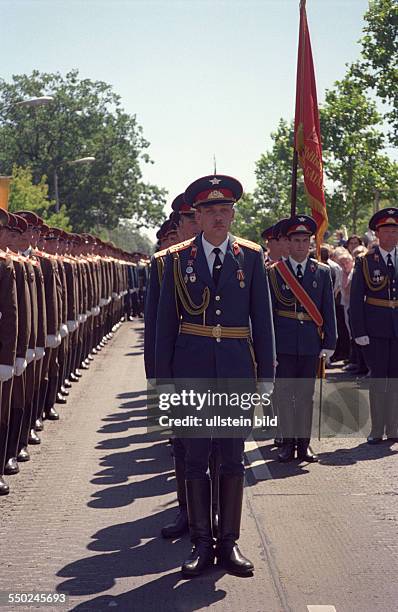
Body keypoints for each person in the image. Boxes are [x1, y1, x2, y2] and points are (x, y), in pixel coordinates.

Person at [155, 174, 275, 577]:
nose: (219, 217)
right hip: (190, 370)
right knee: (193, 459)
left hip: (238, 371)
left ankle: (229, 543)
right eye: (210, 211)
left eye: (225, 210)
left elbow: (264, 320)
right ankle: (201, 543)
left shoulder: (252, 257)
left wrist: (268, 376)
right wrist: (161, 382)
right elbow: (164, 327)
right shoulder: (174, 261)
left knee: (231, 458)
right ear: (197, 216)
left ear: (233, 213)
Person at [267, 215, 337, 463]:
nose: (300, 245)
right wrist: (269, 348)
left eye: (305, 240)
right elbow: (268, 315)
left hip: (309, 343)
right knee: (285, 396)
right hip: (284, 344)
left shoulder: (322, 272)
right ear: (286, 243)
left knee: (306, 397)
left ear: (311, 242)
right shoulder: (274, 274)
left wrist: (330, 343)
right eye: (295, 240)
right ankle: (287, 443)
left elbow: (328, 310)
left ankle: (303, 444)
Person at [350, 207, 398, 444]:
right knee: (379, 379)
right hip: (376, 329)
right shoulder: (366, 261)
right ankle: (377, 428)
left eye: (394, 231)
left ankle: (395, 427)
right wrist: (359, 331)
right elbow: (357, 299)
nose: (391, 235)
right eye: (386, 231)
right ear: (377, 234)